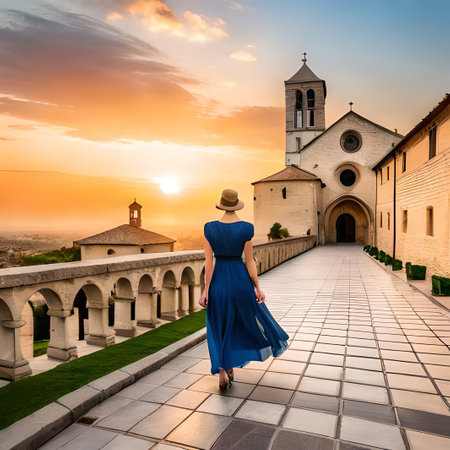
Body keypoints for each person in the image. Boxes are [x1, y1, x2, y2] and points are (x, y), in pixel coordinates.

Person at [199, 188, 289, 391]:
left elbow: (208, 261)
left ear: (220, 204)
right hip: (240, 281)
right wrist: (257, 287)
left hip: (219, 282)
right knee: (239, 325)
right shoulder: (246, 228)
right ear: (237, 204)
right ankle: (230, 365)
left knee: (219, 326)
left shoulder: (209, 228)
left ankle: (222, 370)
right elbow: (250, 262)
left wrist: (206, 291)